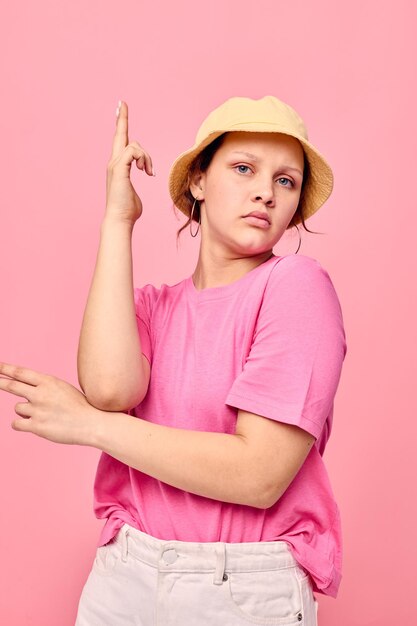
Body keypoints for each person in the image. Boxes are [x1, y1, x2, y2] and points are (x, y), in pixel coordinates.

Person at [0, 95, 347, 625]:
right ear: (198, 182)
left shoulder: (296, 286)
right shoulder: (151, 307)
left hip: (240, 587)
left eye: (285, 181)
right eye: (244, 168)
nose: (265, 192)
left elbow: (260, 474)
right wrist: (118, 219)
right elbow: (110, 391)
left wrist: (91, 428)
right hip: (124, 577)